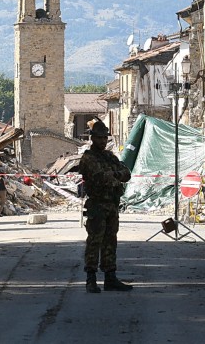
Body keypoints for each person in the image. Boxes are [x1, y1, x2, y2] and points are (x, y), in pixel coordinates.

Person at [79, 119, 133, 293]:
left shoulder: (110, 157)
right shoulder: (88, 157)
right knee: (95, 241)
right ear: (93, 138)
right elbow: (100, 177)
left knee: (111, 241)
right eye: (99, 138)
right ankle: (91, 279)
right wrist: (115, 175)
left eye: (105, 138)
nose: (103, 141)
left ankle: (110, 277)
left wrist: (115, 174)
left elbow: (126, 173)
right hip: (97, 205)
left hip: (111, 204)